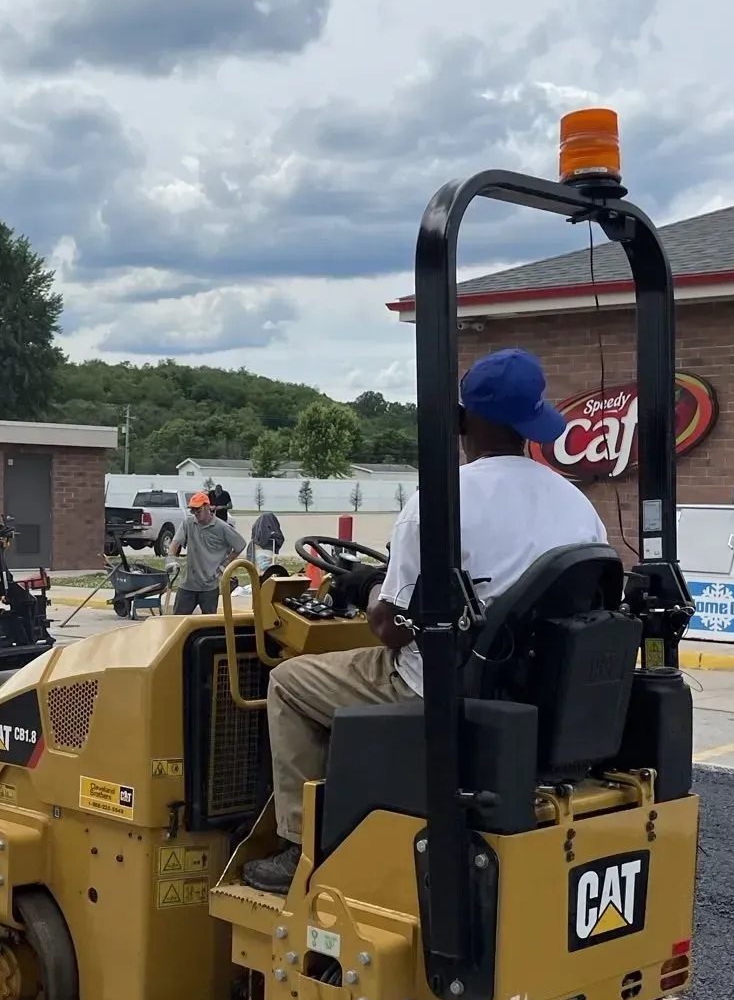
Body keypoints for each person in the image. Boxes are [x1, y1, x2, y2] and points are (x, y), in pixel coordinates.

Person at [243, 348, 608, 893]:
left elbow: (389, 629)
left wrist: (370, 589)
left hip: (441, 685)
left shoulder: (440, 501)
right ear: (532, 420)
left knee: (289, 683)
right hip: (534, 691)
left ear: (462, 420)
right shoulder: (577, 503)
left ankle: (301, 845)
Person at [167, 492, 245, 615]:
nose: (195, 513)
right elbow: (175, 543)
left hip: (209, 586)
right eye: (193, 510)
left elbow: (240, 545)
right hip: (188, 585)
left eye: (198, 509)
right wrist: (171, 559)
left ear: (207, 507)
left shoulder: (222, 527)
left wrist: (224, 564)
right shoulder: (188, 523)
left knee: (208, 624)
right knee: (178, 621)